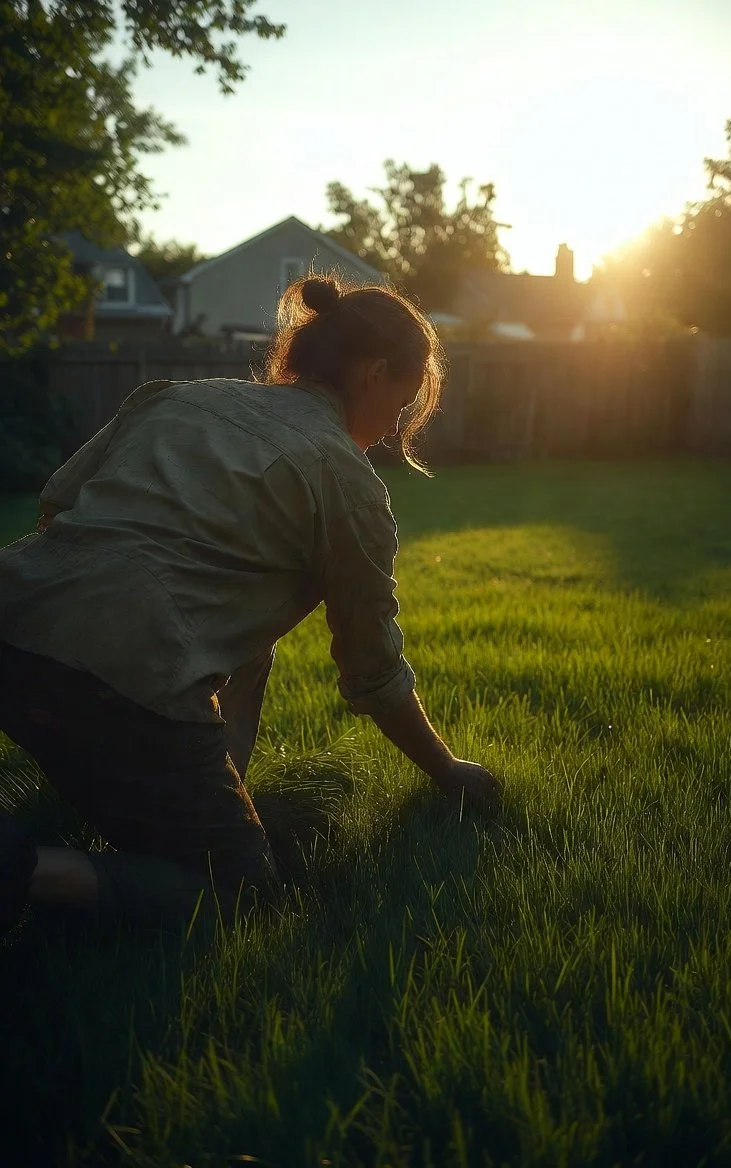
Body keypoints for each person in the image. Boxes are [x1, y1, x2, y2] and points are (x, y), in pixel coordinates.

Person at [0, 274, 501, 934]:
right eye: (402, 406)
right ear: (377, 374)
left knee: (246, 652)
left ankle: (161, 799)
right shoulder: (343, 479)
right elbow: (372, 672)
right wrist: (448, 770)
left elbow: (58, 505)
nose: (389, 433)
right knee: (235, 891)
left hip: (16, 617)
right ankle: (21, 870)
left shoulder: (177, 398)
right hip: (128, 677)